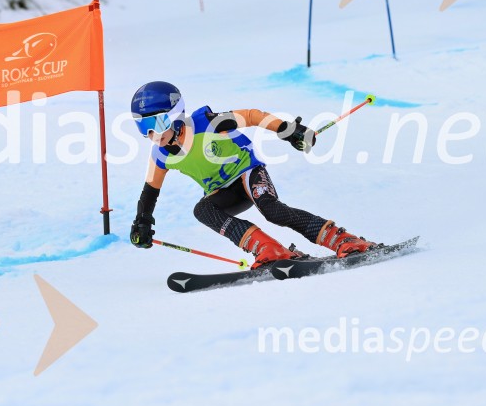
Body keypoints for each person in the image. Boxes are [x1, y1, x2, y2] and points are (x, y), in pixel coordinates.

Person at [128, 81, 380, 269]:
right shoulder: (160, 155)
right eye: (143, 126)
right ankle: (269, 249)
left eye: (158, 123)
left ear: (175, 115)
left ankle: (345, 240)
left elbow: (251, 116)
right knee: (202, 210)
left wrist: (287, 130)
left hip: (248, 173)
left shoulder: (206, 123)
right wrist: (142, 221)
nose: (153, 134)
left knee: (273, 211)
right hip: (223, 192)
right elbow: (150, 191)